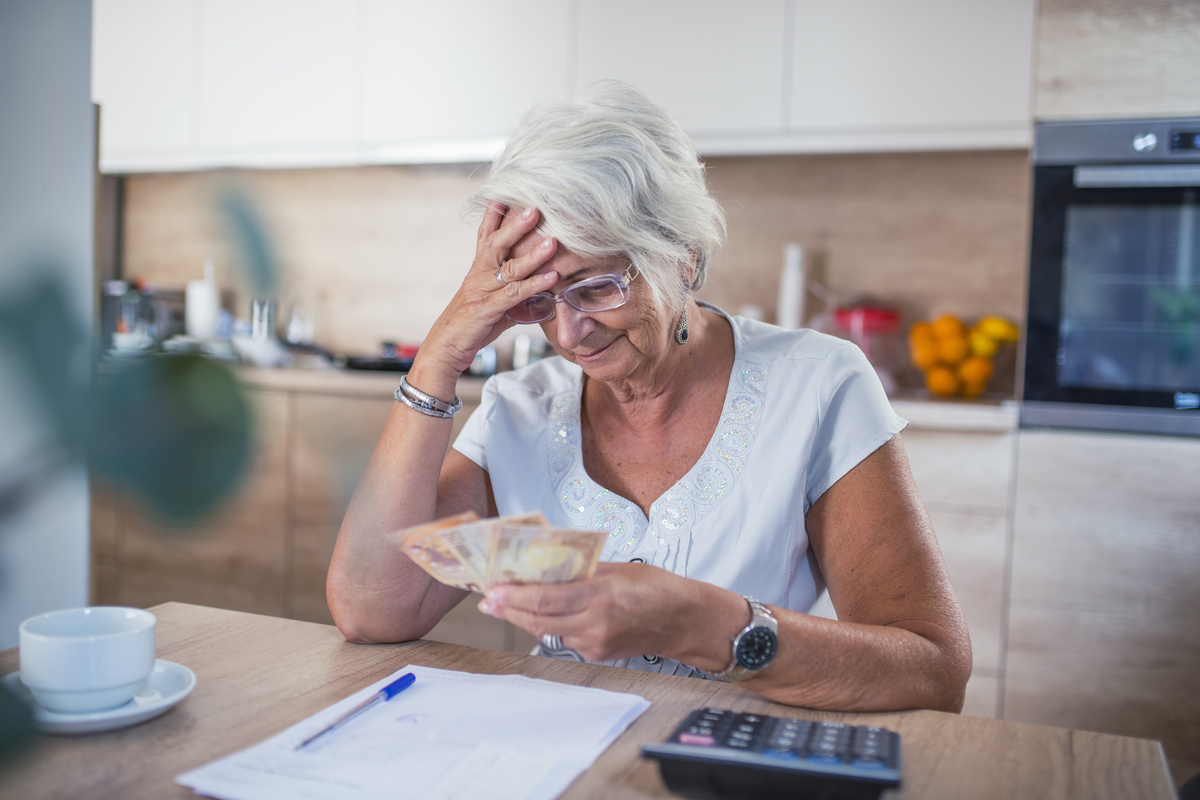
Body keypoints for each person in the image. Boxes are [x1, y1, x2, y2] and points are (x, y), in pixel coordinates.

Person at [327, 82, 971, 712]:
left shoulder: (819, 384)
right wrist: (439, 359)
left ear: (684, 256)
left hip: (729, 766)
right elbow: (373, 609)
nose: (568, 332)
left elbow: (932, 669)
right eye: (539, 300)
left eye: (597, 286)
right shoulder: (518, 409)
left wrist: (706, 622)